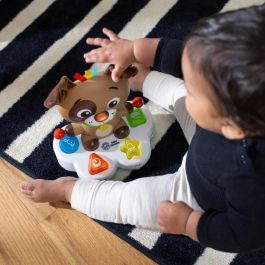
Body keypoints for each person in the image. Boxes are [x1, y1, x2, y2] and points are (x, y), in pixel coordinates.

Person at [20, 5, 265, 253]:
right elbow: (185, 57)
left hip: (196, 194)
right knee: (181, 93)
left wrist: (189, 222)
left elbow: (241, 234)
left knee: (132, 202)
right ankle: (143, 78)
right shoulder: (236, 96)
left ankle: (70, 190)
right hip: (209, 135)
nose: (188, 83)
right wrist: (135, 49)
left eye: (196, 91)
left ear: (232, 126)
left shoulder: (252, 179)